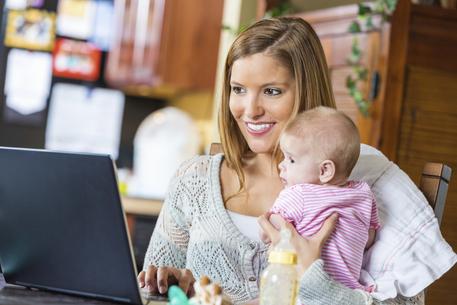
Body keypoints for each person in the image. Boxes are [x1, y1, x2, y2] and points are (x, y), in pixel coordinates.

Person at [138, 17, 427, 305]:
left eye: (272, 91)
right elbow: (149, 293)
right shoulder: (194, 178)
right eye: (238, 89)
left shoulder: (362, 183)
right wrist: (173, 285)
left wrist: (317, 278)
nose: (250, 110)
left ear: (306, 89)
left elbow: (410, 302)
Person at [263, 106, 380, 291]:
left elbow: (272, 228)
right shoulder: (363, 193)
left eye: (291, 160)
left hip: (298, 288)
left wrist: (269, 229)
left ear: (324, 170)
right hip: (346, 291)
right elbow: (369, 238)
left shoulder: (299, 194)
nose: (281, 165)